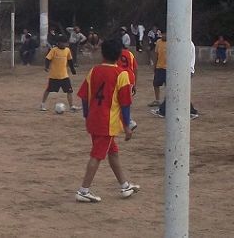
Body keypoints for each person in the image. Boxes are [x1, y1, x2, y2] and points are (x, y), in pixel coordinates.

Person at [74, 39, 139, 203]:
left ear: (102, 54)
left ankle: (124, 185)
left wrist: (87, 115)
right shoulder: (121, 74)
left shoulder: (94, 71)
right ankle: (83, 190)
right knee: (97, 155)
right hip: (107, 123)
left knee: (113, 152)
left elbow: (83, 96)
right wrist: (127, 126)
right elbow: (125, 104)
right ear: (119, 56)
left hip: (94, 119)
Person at [152, 41, 199, 119]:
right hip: (183, 70)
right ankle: (163, 110)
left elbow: (183, 58)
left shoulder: (186, 43)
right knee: (176, 91)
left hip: (184, 71)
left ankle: (190, 111)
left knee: (177, 92)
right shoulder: (185, 42)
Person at [40, 36, 79, 112]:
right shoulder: (54, 50)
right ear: (59, 43)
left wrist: (72, 69)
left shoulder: (67, 50)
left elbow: (70, 60)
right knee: (48, 90)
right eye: (63, 43)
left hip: (64, 75)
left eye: (66, 43)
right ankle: (42, 104)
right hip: (54, 76)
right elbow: (47, 59)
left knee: (69, 91)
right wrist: (46, 67)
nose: (64, 44)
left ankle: (71, 106)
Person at [150, 31, 167, 107]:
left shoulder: (172, 42)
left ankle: (167, 101)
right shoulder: (158, 42)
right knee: (156, 84)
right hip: (159, 67)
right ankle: (157, 100)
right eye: (163, 34)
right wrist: (154, 65)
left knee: (168, 85)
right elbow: (156, 54)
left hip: (168, 68)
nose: (164, 35)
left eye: (165, 34)